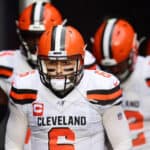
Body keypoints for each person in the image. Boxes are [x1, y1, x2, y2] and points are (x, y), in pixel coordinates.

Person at [5, 24, 132, 150]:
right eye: (52, 62)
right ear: (40, 61)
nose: (59, 70)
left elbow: (122, 143)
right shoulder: (25, 87)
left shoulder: (102, 87)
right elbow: (13, 144)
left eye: (66, 62)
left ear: (82, 60)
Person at [0, 1, 63, 149]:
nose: (36, 43)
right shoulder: (6, 61)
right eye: (30, 36)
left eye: (41, 36)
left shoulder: (76, 61)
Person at [92, 17, 150, 149]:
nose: (115, 71)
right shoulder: (92, 78)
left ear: (134, 51)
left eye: (120, 64)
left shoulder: (146, 72)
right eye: (108, 67)